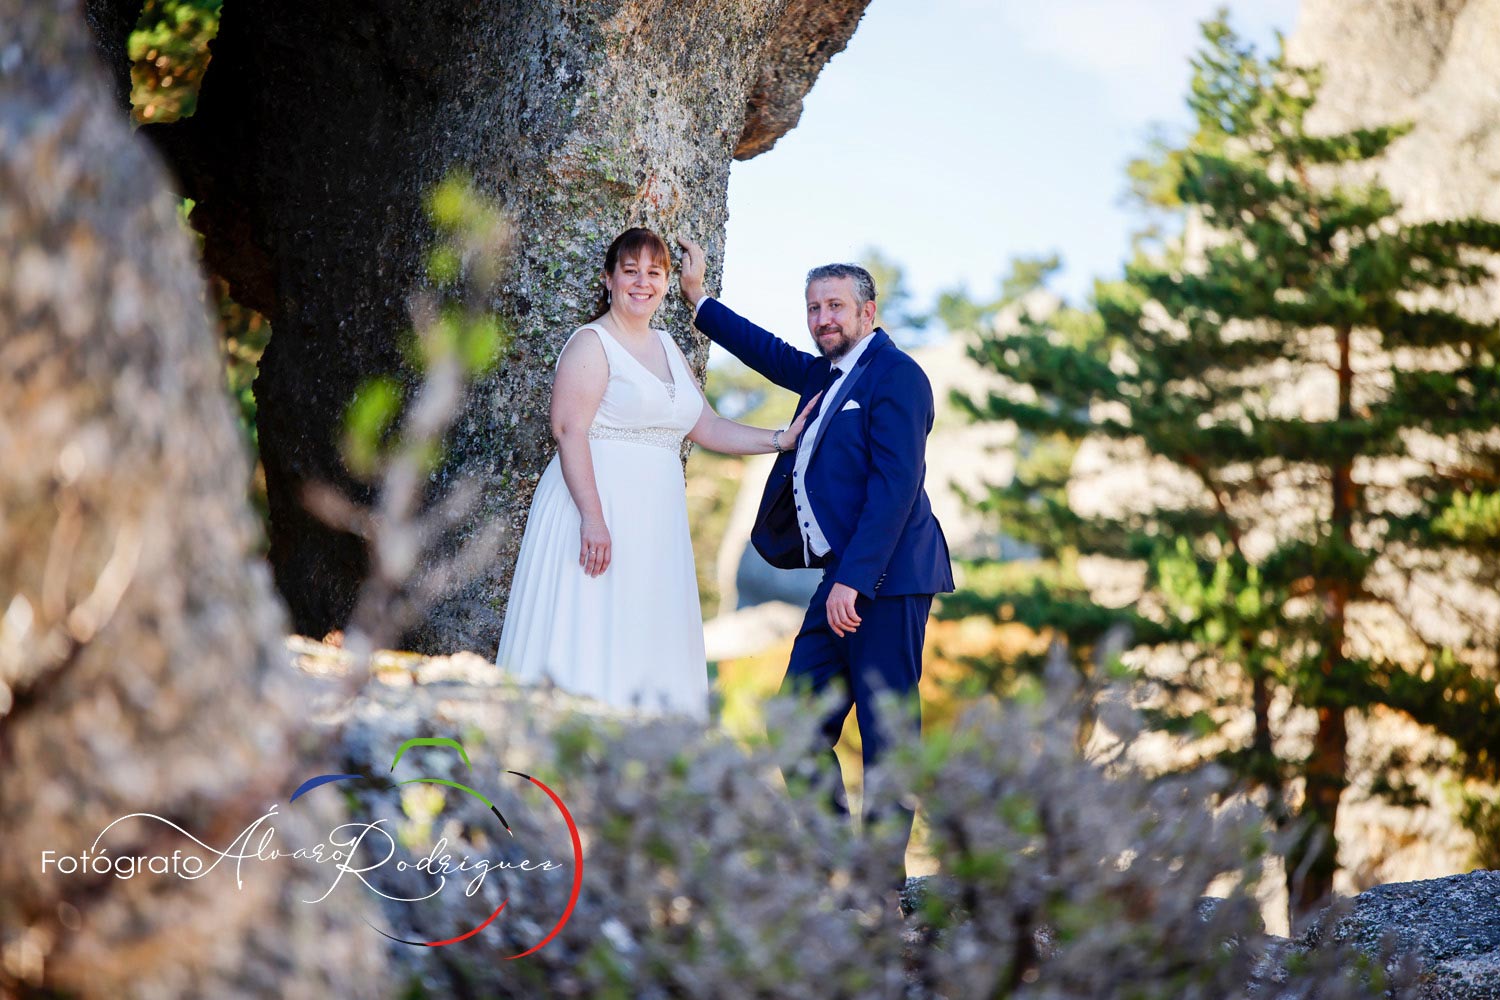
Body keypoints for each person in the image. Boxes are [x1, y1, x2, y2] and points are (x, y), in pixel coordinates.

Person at [676, 237, 954, 902]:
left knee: (888, 734)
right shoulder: (828, 376)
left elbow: (896, 486)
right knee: (794, 721)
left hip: (889, 577)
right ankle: (838, 863)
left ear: (869, 310)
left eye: (835, 305)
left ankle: (881, 886)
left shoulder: (898, 376)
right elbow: (769, 354)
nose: (823, 317)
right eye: (813, 308)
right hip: (844, 577)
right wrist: (697, 300)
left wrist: (855, 580)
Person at [495, 227, 820, 719]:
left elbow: (705, 424)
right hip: (595, 511)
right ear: (608, 279)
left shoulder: (669, 346)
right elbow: (568, 430)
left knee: (643, 631)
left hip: (655, 523)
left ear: (668, 282)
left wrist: (781, 438)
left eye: (654, 273)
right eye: (630, 272)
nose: (642, 283)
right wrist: (593, 519)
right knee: (588, 627)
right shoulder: (592, 342)